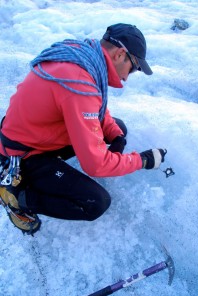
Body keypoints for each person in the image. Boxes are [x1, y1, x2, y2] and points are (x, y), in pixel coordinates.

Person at [0, 23, 166, 235]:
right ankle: (17, 197)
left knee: (118, 128)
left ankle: (43, 177)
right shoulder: (79, 84)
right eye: (133, 68)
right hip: (24, 153)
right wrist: (143, 160)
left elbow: (94, 105)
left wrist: (116, 135)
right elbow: (95, 165)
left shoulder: (82, 55)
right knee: (96, 202)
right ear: (120, 54)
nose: (126, 77)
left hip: (33, 132)